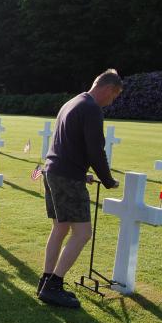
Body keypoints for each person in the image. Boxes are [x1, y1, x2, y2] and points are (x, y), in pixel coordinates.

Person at [38, 69, 122, 309]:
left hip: (53, 170)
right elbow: (95, 150)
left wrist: (79, 171)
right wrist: (107, 180)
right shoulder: (91, 108)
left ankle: (45, 280)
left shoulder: (73, 101)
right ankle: (54, 285)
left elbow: (68, 143)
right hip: (66, 177)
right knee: (83, 233)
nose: (111, 101)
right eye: (114, 96)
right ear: (107, 88)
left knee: (60, 228)